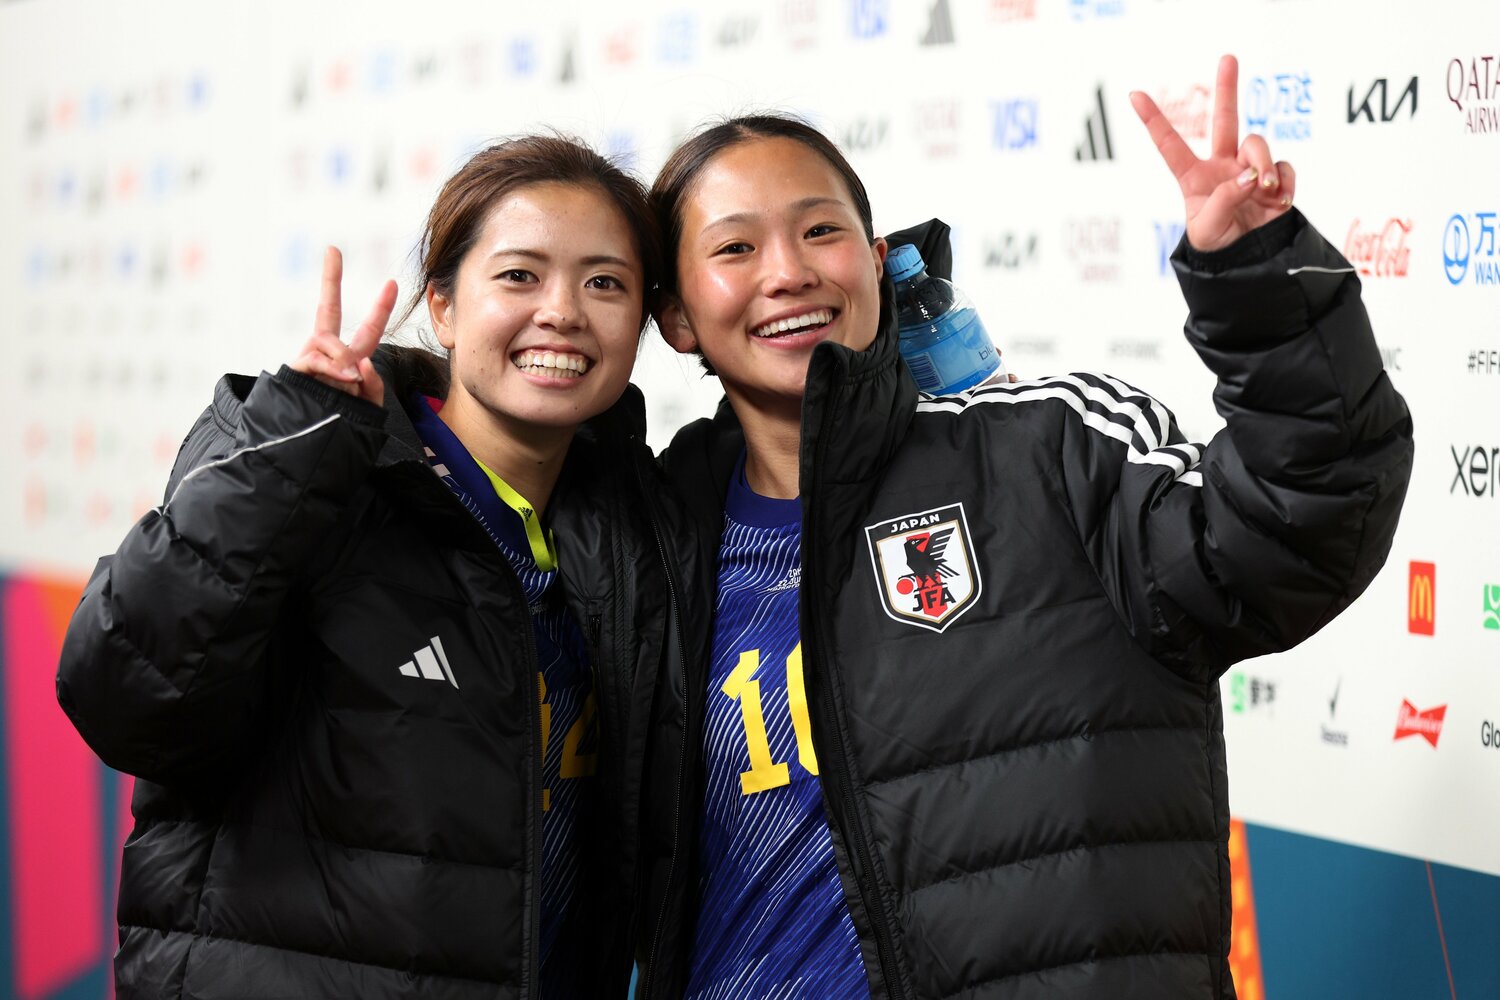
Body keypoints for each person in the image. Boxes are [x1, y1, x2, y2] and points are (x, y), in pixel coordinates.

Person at [633, 56, 1413, 1000]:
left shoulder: (1047, 448)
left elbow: (1294, 530)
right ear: (675, 316)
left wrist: (1261, 284)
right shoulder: (646, 533)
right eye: (735, 249)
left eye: (821, 230)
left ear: (877, 260)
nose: (789, 272)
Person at [56, 135, 701, 999]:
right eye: (518, 276)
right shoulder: (313, 468)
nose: (563, 311)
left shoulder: (623, 529)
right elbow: (127, 702)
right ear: (441, 304)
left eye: (605, 282)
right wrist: (287, 447)